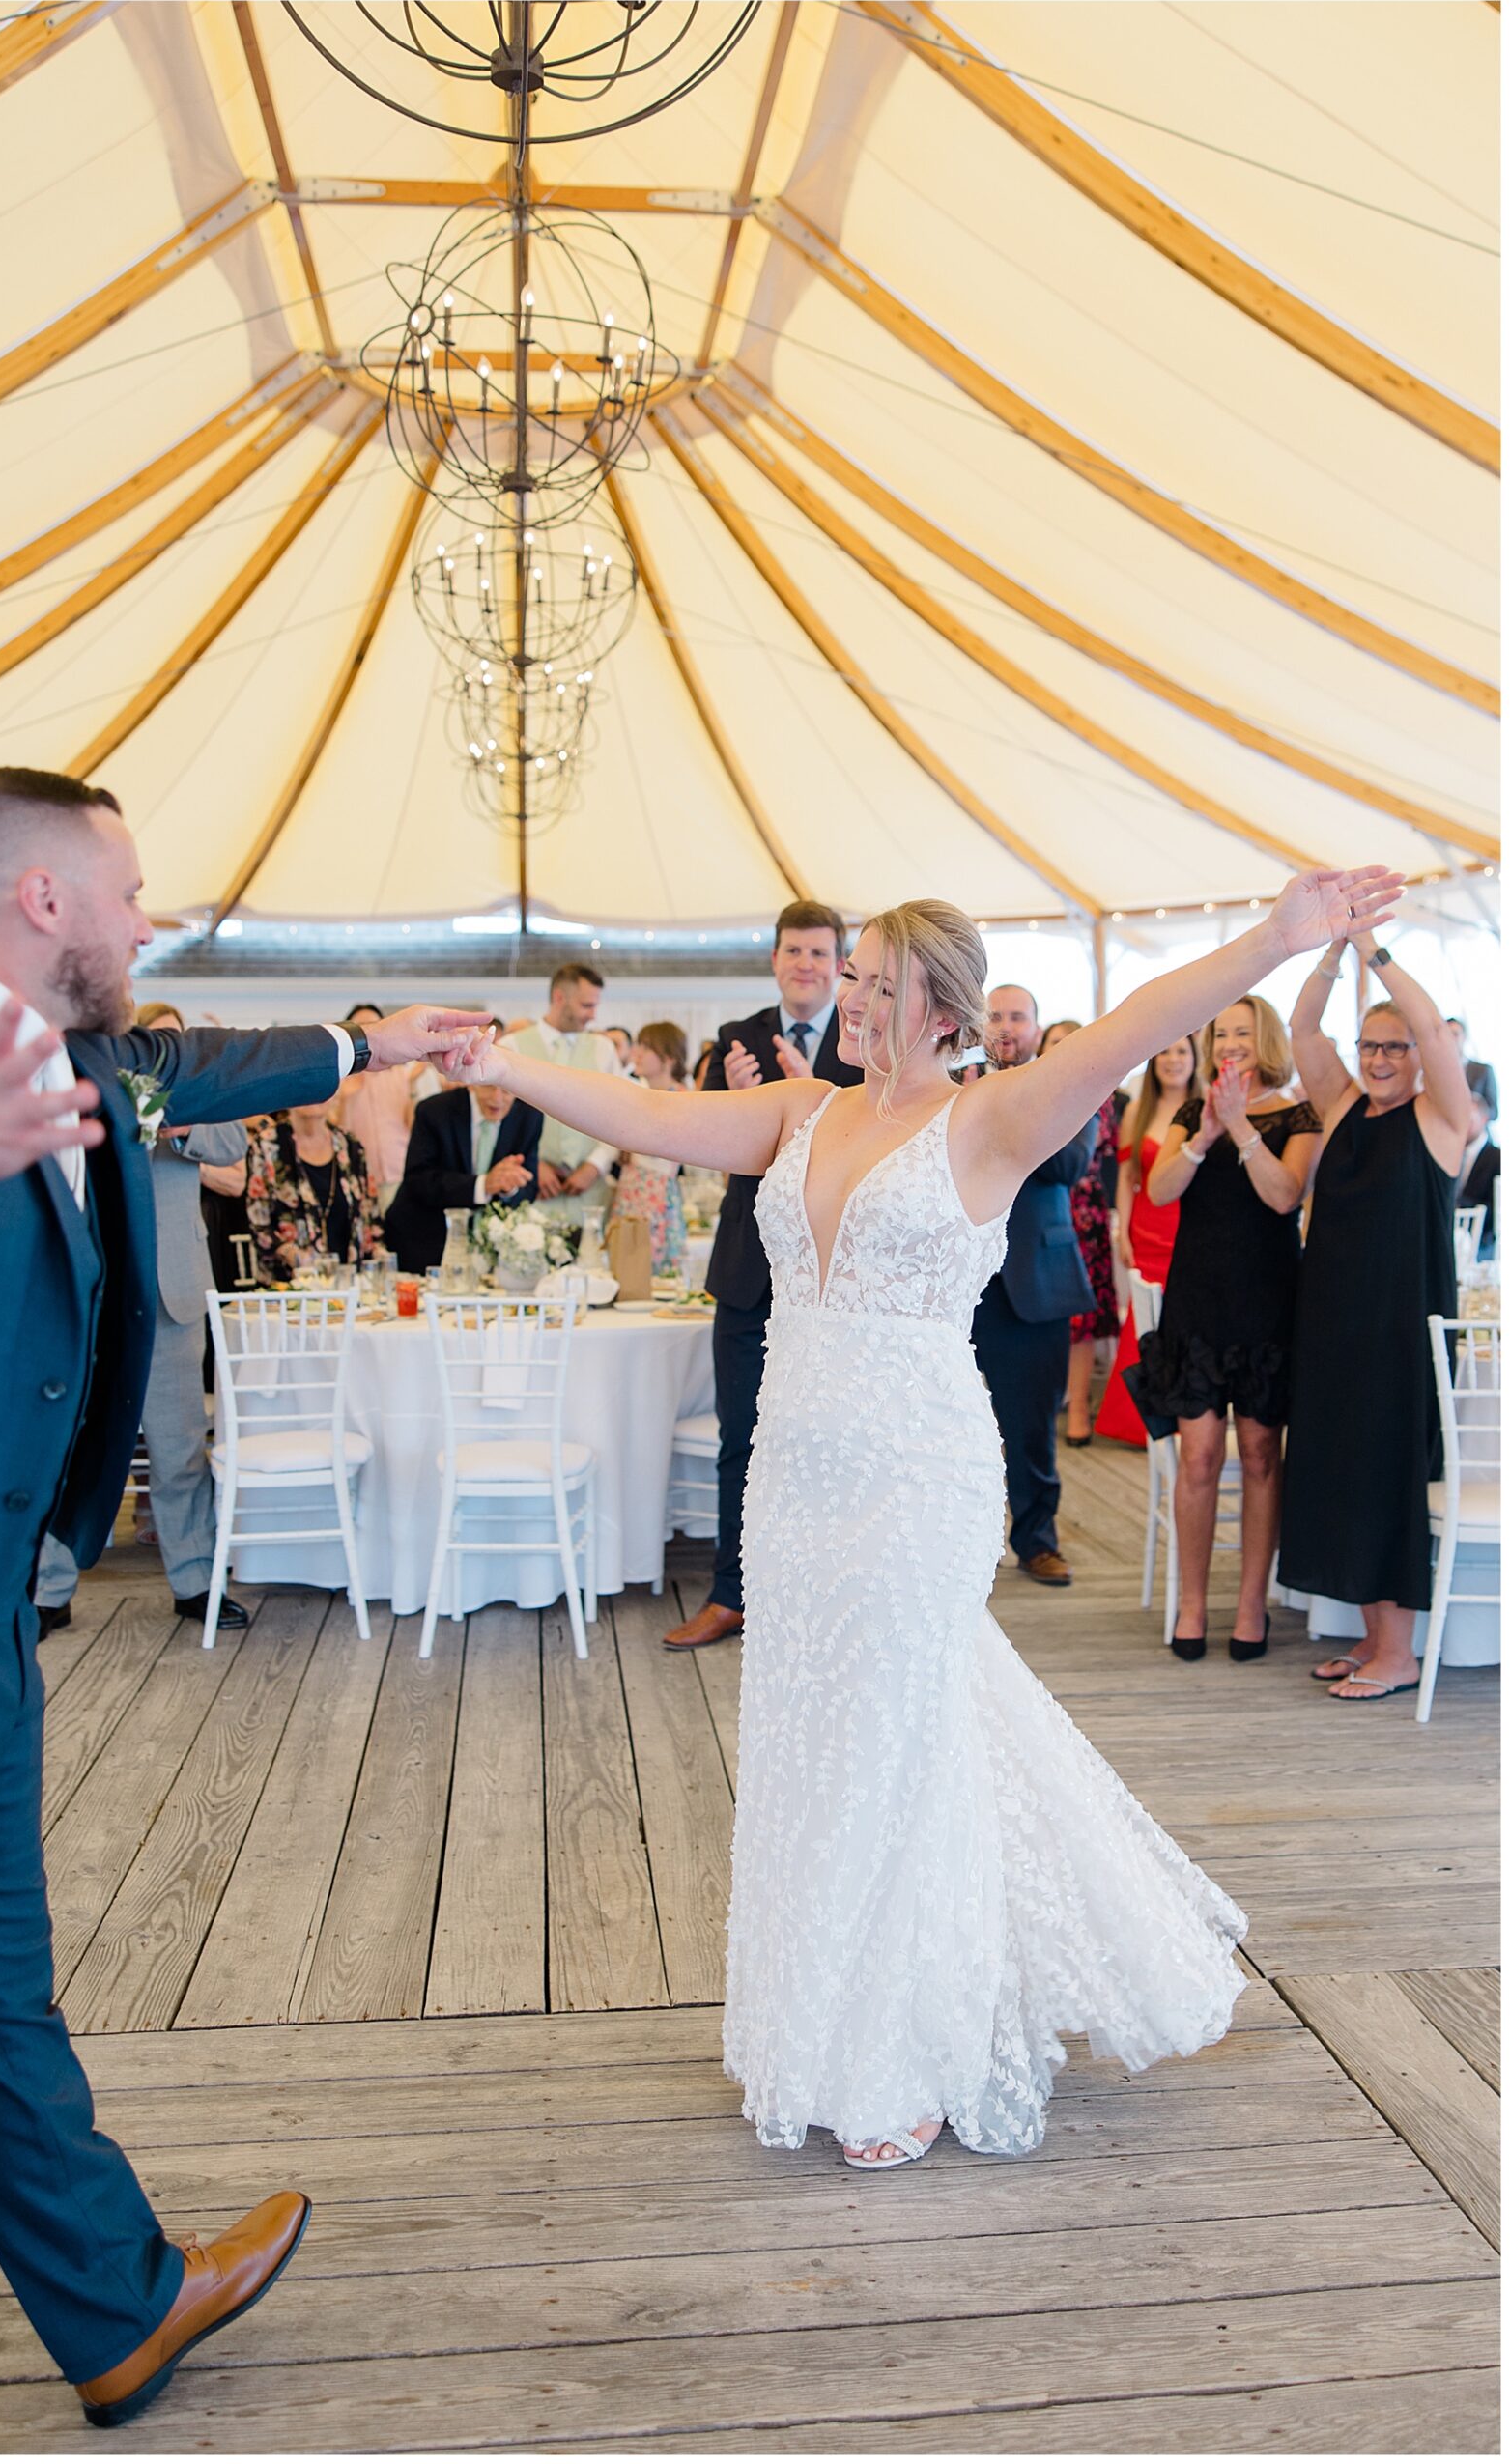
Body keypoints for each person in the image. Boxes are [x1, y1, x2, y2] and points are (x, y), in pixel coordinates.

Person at [429, 864, 1404, 2169]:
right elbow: (649, 1116)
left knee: (898, 1743)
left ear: (943, 1012)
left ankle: (905, 2049)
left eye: (881, 988)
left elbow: (1132, 1026)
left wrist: (1274, 942)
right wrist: (508, 1063)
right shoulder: (795, 1111)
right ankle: (817, 2021)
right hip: (793, 1475)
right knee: (815, 1742)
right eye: (855, 981)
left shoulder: (990, 1120)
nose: (854, 1003)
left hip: (913, 1473)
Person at [0, 765, 491, 2450]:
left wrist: (380, 1045)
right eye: (130, 894)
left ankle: (120, 2307)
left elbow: (202, 1066)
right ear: (43, 902)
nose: (153, 922)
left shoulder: (83, 1050)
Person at [666, 900, 861, 1654]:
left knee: (824, 1441)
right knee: (738, 1438)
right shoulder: (733, 1041)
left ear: (839, 964)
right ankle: (729, 1594)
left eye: (819, 953)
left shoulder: (862, 1045)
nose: (804, 964)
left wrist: (809, 1089)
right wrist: (730, 1098)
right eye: (793, 951)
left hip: (825, 1277)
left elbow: (860, 1152)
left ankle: (813, 1596)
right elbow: (712, 1149)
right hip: (748, 1271)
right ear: (774, 960)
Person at [1280, 938, 1471, 1699]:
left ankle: (1399, 1655)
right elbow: (1301, 1029)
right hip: (1331, 1327)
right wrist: (1333, 953)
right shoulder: (1341, 1104)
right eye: (1370, 1045)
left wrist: (1377, 952)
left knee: (1385, 1480)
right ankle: (1372, 1637)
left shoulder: (1440, 1117)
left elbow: (1429, 1026)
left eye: (1395, 1046)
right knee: (1339, 1478)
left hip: (1400, 1336)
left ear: (1422, 1055)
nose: (1381, 1058)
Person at [34, 1000, 254, 1637]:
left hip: (172, 1292)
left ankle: (195, 1583)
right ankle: (50, 1589)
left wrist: (173, 1125)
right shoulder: (91, 1086)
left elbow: (232, 1142)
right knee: (71, 1444)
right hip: (97, 1288)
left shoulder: (197, 1096)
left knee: (180, 1448)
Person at [1136, 997, 1323, 1663]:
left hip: (1268, 1301)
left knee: (1261, 1453)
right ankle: (1191, 1602)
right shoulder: (1193, 1111)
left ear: (1264, 1037)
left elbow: (1283, 1195)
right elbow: (1157, 1191)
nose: (1228, 1043)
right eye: (1221, 1033)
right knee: (1200, 1455)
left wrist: (1242, 1127)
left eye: (1241, 1032)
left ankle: (1250, 1605)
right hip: (1200, 1301)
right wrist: (1207, 1132)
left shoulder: (1299, 1114)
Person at [971, 986, 1097, 1587]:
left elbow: (1068, 1166)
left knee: (1030, 1427)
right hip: (960, 1282)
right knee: (955, 1423)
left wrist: (999, 1117)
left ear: (1037, 1028)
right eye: (995, 1015)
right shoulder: (953, 1084)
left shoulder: (1071, 1086)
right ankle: (959, 1542)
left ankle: (1037, 1541)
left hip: (1034, 1283)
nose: (1005, 1027)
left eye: (1017, 1017)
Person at [1095, 1037, 1200, 1446]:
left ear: (1195, 1059)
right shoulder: (1139, 1111)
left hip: (1189, 1227)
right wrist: (1123, 1231)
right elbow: (1125, 1176)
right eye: (1165, 1053)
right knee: (1142, 1323)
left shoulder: (1206, 1108)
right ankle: (1134, 1423)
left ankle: (1182, 1417)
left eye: (1182, 1052)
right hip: (1146, 1227)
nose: (1173, 1060)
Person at [1039, 1019, 1121, 1447]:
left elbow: (1109, 1152)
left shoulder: (1101, 1094)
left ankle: (1079, 1409)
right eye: (1056, 1042)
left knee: (1084, 1318)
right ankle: (1045, 1400)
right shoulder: (1029, 1091)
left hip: (1086, 1211)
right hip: (1040, 1206)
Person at [384, 1077, 542, 1271]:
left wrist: (509, 1187)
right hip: (423, 1236)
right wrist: (482, 1185)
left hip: (487, 1249)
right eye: (489, 1087)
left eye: (507, 1090)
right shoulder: (434, 1111)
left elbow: (530, 1188)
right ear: (472, 1082)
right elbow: (418, 1180)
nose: (497, 1098)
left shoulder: (529, 1116)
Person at [508, 965, 624, 1229]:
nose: (593, 1015)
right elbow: (501, 1122)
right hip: (532, 1199)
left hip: (591, 1198)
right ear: (559, 997)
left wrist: (595, 1165)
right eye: (586, 1005)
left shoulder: (604, 1050)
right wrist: (532, 1163)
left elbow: (619, 1117)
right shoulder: (512, 1047)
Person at [244, 1099, 381, 1284]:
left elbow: (370, 1213)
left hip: (350, 1283)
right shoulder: (267, 1146)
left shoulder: (350, 1145)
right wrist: (289, 1253)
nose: (314, 1096)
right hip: (290, 1288)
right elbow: (258, 1223)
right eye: (306, 1087)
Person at [607, 1022, 692, 1271]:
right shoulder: (639, 1094)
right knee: (625, 1265)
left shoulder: (682, 1098)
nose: (637, 1054)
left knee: (653, 1269)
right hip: (631, 1188)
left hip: (657, 1192)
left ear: (668, 1057)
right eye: (638, 1046)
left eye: (646, 1048)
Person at [335, 1000, 426, 1214]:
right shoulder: (339, 1080)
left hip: (401, 1175)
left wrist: (412, 1087)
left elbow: (414, 1129)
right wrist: (347, 1099)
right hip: (360, 1178)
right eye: (361, 1028)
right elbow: (340, 1136)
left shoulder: (402, 1074)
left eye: (374, 1026)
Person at [1456, 1093, 1499, 1256]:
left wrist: (1458, 1206)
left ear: (1484, 1119)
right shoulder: (1451, 1153)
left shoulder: (1498, 1158)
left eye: (1469, 1118)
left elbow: (1496, 1210)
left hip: (1482, 1245)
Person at [1445, 1018, 1496, 1124]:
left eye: (1455, 1034)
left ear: (1464, 1038)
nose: (1451, 1039)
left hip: (1476, 1134)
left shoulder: (1483, 1070)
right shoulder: (1434, 1072)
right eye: (1447, 1034)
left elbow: (1494, 1112)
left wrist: (1477, 1110)